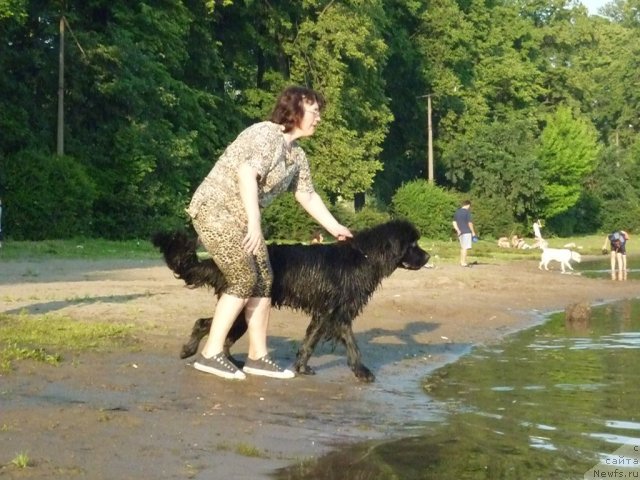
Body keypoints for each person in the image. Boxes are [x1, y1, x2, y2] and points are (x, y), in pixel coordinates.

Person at [185, 86, 352, 380]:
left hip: (242, 220)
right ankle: (211, 353)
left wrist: (336, 227)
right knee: (243, 277)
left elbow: (307, 195)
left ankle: (258, 358)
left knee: (264, 280)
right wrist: (253, 223)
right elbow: (246, 173)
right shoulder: (266, 134)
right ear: (296, 110)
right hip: (214, 210)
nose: (319, 118)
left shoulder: (297, 156)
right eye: (315, 112)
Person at [452, 200, 477, 267]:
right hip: (466, 232)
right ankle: (463, 262)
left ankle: (461, 261)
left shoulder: (457, 212)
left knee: (462, 247)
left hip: (460, 232)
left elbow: (454, 222)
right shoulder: (467, 212)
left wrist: (458, 230)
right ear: (468, 205)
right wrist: (473, 232)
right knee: (465, 248)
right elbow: (470, 223)